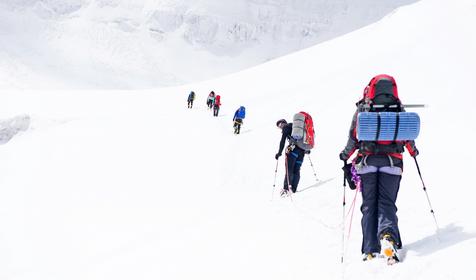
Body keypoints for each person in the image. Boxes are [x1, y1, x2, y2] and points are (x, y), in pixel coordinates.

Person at [339, 74, 419, 264]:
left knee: (368, 206)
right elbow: (407, 134)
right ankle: (388, 238)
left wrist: (345, 155)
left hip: (367, 162)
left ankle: (369, 249)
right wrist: (413, 151)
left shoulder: (363, 109)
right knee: (386, 203)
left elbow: (353, 136)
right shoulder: (398, 108)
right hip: (393, 163)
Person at [275, 119, 309, 195]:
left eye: (280, 125)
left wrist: (279, 153)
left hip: (292, 149)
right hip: (302, 151)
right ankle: (293, 189)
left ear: (283, 123)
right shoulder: (296, 128)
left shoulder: (286, 127)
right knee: (296, 170)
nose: (280, 127)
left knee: (289, 169)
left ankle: (286, 189)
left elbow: (282, 141)